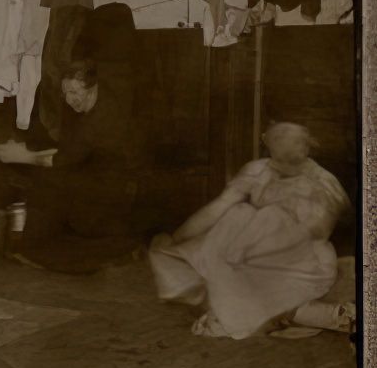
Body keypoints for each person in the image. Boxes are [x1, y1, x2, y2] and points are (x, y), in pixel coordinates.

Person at [149, 122, 352, 339]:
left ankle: (333, 317)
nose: (283, 160)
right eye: (278, 150)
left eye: (295, 147)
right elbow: (218, 208)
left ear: (306, 149)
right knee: (238, 214)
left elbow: (312, 234)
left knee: (263, 225)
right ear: (270, 148)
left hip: (305, 264)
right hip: (255, 252)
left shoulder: (323, 184)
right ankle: (280, 313)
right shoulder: (257, 171)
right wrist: (177, 239)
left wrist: (247, 253)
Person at [0, 60, 148, 272]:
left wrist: (22, 157)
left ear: (92, 88)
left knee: (47, 181)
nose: (69, 99)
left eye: (75, 92)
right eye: (65, 92)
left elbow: (61, 160)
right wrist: (27, 152)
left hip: (113, 193)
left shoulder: (99, 121)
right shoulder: (100, 103)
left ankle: (36, 252)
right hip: (109, 179)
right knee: (50, 175)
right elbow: (66, 153)